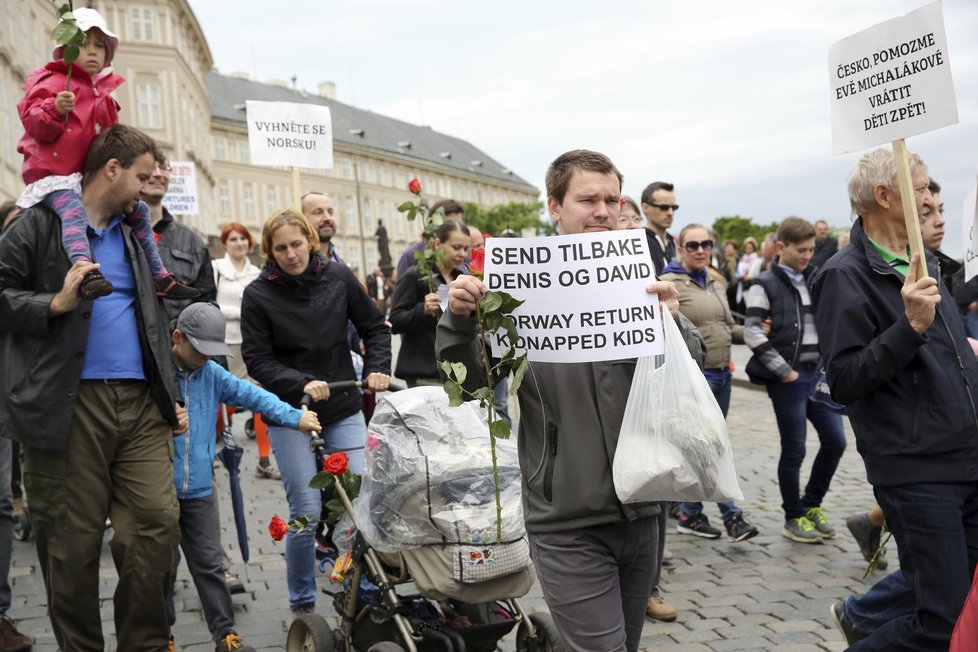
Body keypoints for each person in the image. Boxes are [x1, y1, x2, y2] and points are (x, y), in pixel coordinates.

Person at [436, 149, 704, 652]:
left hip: (643, 507)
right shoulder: (516, 290)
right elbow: (466, 387)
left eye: (611, 199)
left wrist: (674, 322)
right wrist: (458, 321)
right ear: (555, 206)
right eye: (587, 200)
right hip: (567, 520)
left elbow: (689, 373)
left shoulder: (640, 281)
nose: (603, 210)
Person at [0, 124, 180, 650]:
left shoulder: (134, 232)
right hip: (66, 406)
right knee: (70, 547)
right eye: (142, 177)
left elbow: (153, 315)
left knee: (154, 524)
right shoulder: (37, 225)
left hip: (142, 403)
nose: (149, 187)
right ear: (112, 169)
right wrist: (51, 305)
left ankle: (143, 644)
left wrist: (172, 393)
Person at [815, 146, 978, 649]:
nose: (931, 196)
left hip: (966, 458)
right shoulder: (844, 275)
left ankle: (863, 622)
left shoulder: (924, 262)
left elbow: (954, 363)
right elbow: (844, 379)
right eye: (923, 186)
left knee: (960, 605)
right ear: (885, 196)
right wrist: (908, 327)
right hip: (917, 471)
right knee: (942, 623)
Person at [240, 208, 391, 615]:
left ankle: (355, 584)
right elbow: (257, 360)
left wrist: (377, 368)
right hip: (290, 412)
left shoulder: (338, 278)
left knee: (357, 500)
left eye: (296, 244)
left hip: (342, 404)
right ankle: (302, 599)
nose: (291, 254)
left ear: (310, 239)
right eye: (281, 248)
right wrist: (300, 382)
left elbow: (375, 327)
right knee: (306, 509)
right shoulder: (258, 295)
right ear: (269, 253)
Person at [167, 302, 320, 652]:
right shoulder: (157, 369)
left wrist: (295, 416)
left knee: (210, 565)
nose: (205, 357)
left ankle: (225, 636)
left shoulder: (212, 374)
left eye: (212, 351)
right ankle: (163, 636)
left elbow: (255, 395)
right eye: (199, 349)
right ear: (177, 338)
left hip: (200, 488)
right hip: (159, 486)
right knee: (161, 568)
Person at [15, 8, 196, 301]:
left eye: (100, 45)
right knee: (73, 211)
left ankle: (160, 274)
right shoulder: (50, 82)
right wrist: (55, 110)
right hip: (55, 176)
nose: (93, 51)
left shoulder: (102, 94)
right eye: (84, 43)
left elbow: (111, 142)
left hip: (85, 177)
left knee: (139, 210)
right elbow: (35, 126)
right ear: (66, 49)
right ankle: (86, 270)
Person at [745, 216, 846, 544]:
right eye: (800, 250)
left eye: (811, 249)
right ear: (780, 247)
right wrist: (782, 371)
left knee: (836, 441)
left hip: (817, 376)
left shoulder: (818, 277)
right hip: (787, 379)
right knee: (795, 450)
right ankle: (793, 516)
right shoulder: (763, 283)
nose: (807, 255)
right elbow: (752, 332)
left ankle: (810, 504)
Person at [660, 224, 760, 543]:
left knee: (711, 446)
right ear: (680, 248)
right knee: (706, 448)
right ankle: (732, 516)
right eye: (692, 245)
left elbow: (727, 327)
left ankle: (689, 513)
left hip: (722, 373)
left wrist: (760, 332)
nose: (700, 250)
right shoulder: (669, 283)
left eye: (706, 244)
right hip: (693, 377)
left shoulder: (716, 283)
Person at [212, 223, 280, 482]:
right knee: (224, 400)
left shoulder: (256, 273)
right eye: (233, 239)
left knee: (259, 397)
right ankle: (211, 450)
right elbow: (211, 304)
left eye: (243, 239)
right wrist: (242, 313)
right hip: (222, 343)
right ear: (225, 243)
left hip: (253, 342)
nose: (239, 243)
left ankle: (264, 460)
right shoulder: (216, 268)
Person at [390, 221, 471, 387]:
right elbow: (394, 322)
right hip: (425, 372)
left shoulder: (462, 278)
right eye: (456, 247)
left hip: (457, 371)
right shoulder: (416, 275)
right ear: (437, 244)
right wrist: (423, 310)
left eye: (465, 249)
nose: (462, 254)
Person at [145, 155, 215, 324]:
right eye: (149, 167)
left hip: (175, 346)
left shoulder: (193, 242)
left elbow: (207, 304)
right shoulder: (116, 231)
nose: (158, 174)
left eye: (163, 167)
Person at [396, 199, 465, 278]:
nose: (458, 229)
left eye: (460, 224)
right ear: (433, 224)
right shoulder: (410, 256)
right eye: (451, 225)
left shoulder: (462, 256)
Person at [640, 182, 677, 275]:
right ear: (645, 208)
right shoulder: (638, 242)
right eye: (664, 207)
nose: (670, 212)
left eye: (674, 207)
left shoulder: (673, 242)